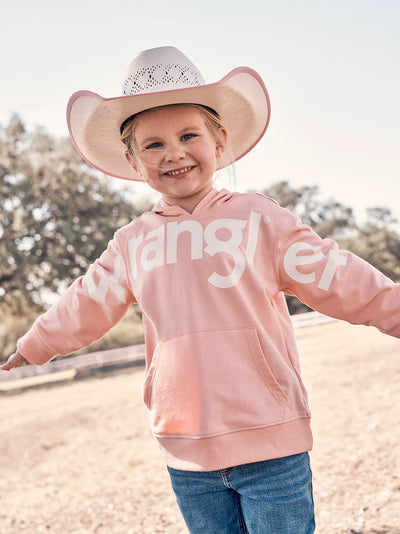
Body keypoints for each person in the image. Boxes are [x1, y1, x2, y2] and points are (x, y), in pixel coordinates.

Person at [2, 46, 400, 534]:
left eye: (189, 135)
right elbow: (85, 301)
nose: (173, 152)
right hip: (185, 450)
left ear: (219, 141)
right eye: (152, 145)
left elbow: (338, 275)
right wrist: (33, 344)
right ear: (131, 159)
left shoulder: (261, 219)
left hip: (271, 442)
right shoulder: (132, 243)